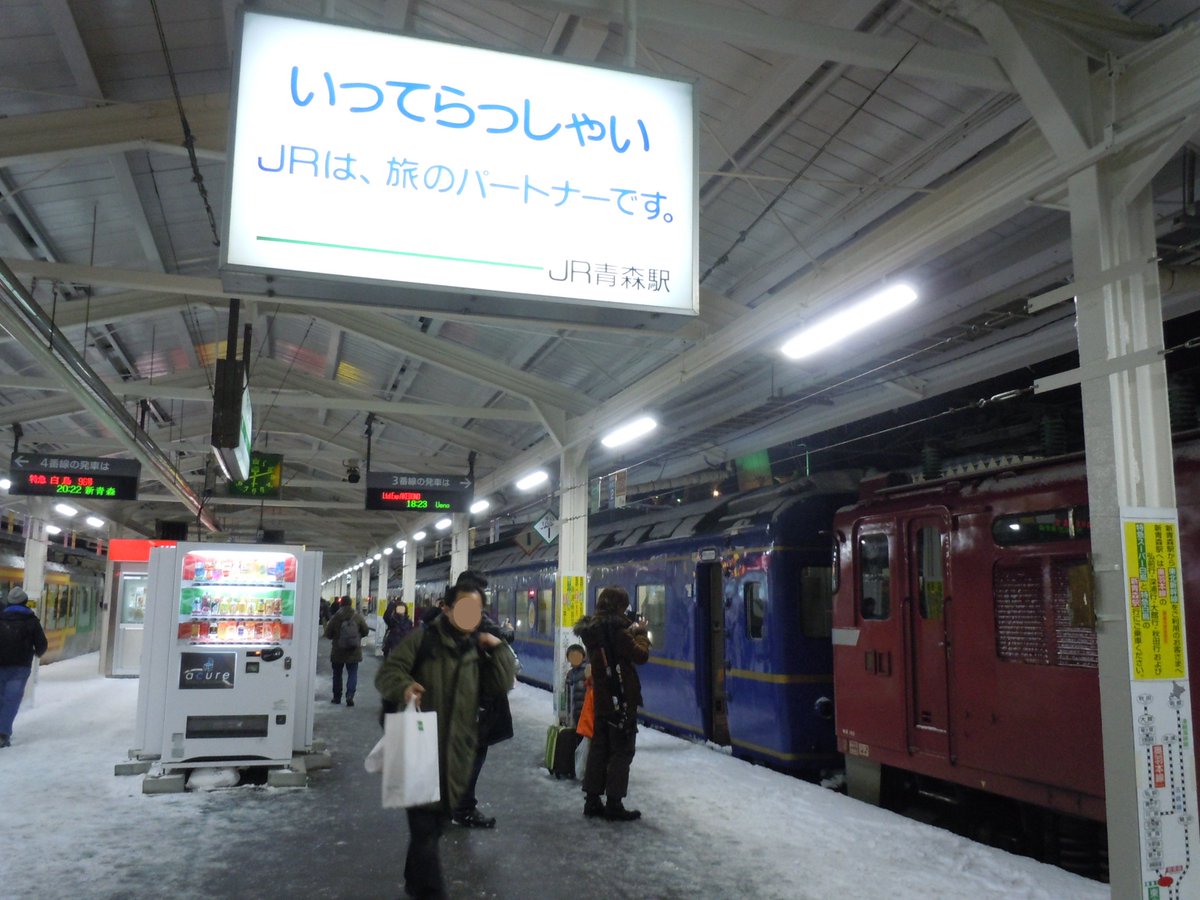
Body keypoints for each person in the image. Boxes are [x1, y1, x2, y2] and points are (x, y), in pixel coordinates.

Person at [376, 580, 516, 900]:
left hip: (456, 752)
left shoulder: (478, 648)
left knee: (433, 827)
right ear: (447, 608)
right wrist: (405, 687)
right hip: (418, 744)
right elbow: (388, 675)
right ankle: (428, 891)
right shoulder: (422, 640)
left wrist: (498, 649)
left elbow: (501, 683)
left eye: (476, 609)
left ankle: (415, 880)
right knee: (425, 828)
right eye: (464, 607)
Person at [573, 585, 651, 821]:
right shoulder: (618, 631)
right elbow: (641, 656)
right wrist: (641, 634)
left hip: (603, 698)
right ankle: (614, 803)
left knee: (600, 747)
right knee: (622, 750)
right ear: (619, 606)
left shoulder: (592, 631)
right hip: (621, 697)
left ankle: (592, 800)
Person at [0, 586, 48, 748]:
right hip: (20, 667)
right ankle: (3, 733)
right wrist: (36, 652)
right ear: (25, 602)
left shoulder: (1, 618)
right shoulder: (31, 621)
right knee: (11, 700)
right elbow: (41, 644)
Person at [323, 596, 368, 706]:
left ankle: (337, 697)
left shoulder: (335, 617)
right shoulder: (357, 616)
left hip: (338, 651)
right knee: (352, 674)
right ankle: (350, 696)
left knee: (337, 674)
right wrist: (356, 636)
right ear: (351, 604)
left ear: (340, 604)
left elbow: (328, 634)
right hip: (354, 651)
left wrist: (336, 636)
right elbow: (366, 631)